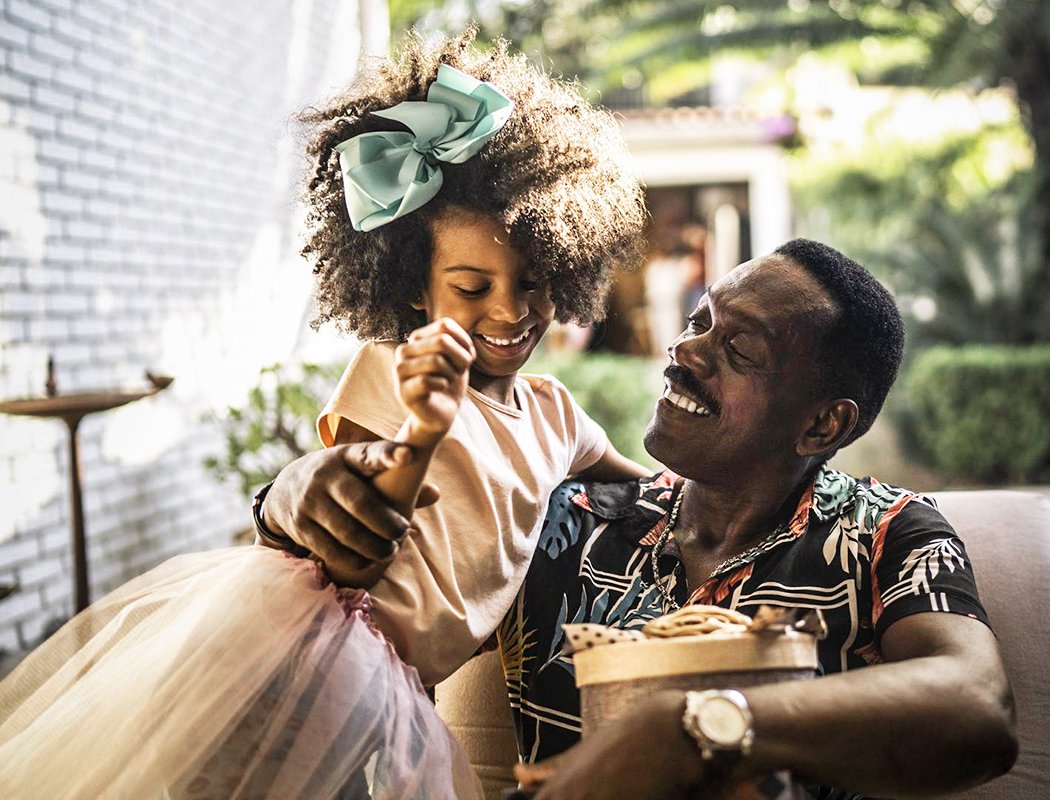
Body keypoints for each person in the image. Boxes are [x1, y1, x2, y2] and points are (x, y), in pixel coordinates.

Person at [0, 29, 647, 799]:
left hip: (401, 681)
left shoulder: (555, 412)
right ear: (413, 288)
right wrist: (427, 427)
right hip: (320, 646)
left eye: (537, 278)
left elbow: (649, 486)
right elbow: (360, 547)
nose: (512, 309)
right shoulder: (396, 378)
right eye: (472, 288)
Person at [269, 238, 1019, 799]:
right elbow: (372, 584)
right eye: (699, 321)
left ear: (822, 426)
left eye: (737, 349)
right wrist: (296, 495)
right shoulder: (564, 519)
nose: (685, 351)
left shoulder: (888, 533)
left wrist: (693, 728)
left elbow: (978, 707)